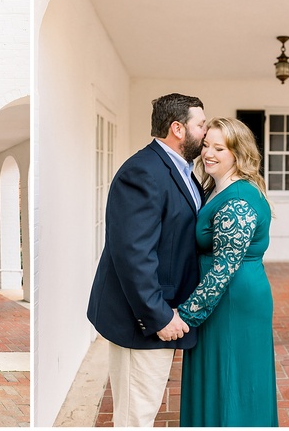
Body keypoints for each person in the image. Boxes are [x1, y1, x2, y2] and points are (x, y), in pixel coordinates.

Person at [87, 93, 207, 426]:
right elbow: (133, 253)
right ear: (178, 129)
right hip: (142, 317)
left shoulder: (181, 169)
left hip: (162, 309)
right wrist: (159, 316)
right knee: (135, 417)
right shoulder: (143, 171)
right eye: (201, 124)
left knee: (141, 409)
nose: (206, 130)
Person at [176, 117, 278, 426]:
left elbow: (223, 269)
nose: (208, 153)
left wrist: (185, 315)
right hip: (223, 299)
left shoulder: (238, 201)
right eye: (206, 145)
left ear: (238, 153)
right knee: (221, 377)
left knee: (231, 380)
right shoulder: (218, 188)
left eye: (220, 148)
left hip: (232, 300)